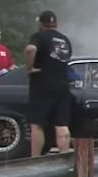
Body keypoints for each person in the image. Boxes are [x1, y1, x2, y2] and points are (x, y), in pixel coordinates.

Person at [24, 10, 73, 157]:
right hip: (63, 84)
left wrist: (29, 68)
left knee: (37, 123)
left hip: (42, 84)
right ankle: (64, 155)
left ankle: (35, 158)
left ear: (41, 23)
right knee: (62, 124)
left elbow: (30, 49)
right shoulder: (65, 40)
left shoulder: (39, 36)